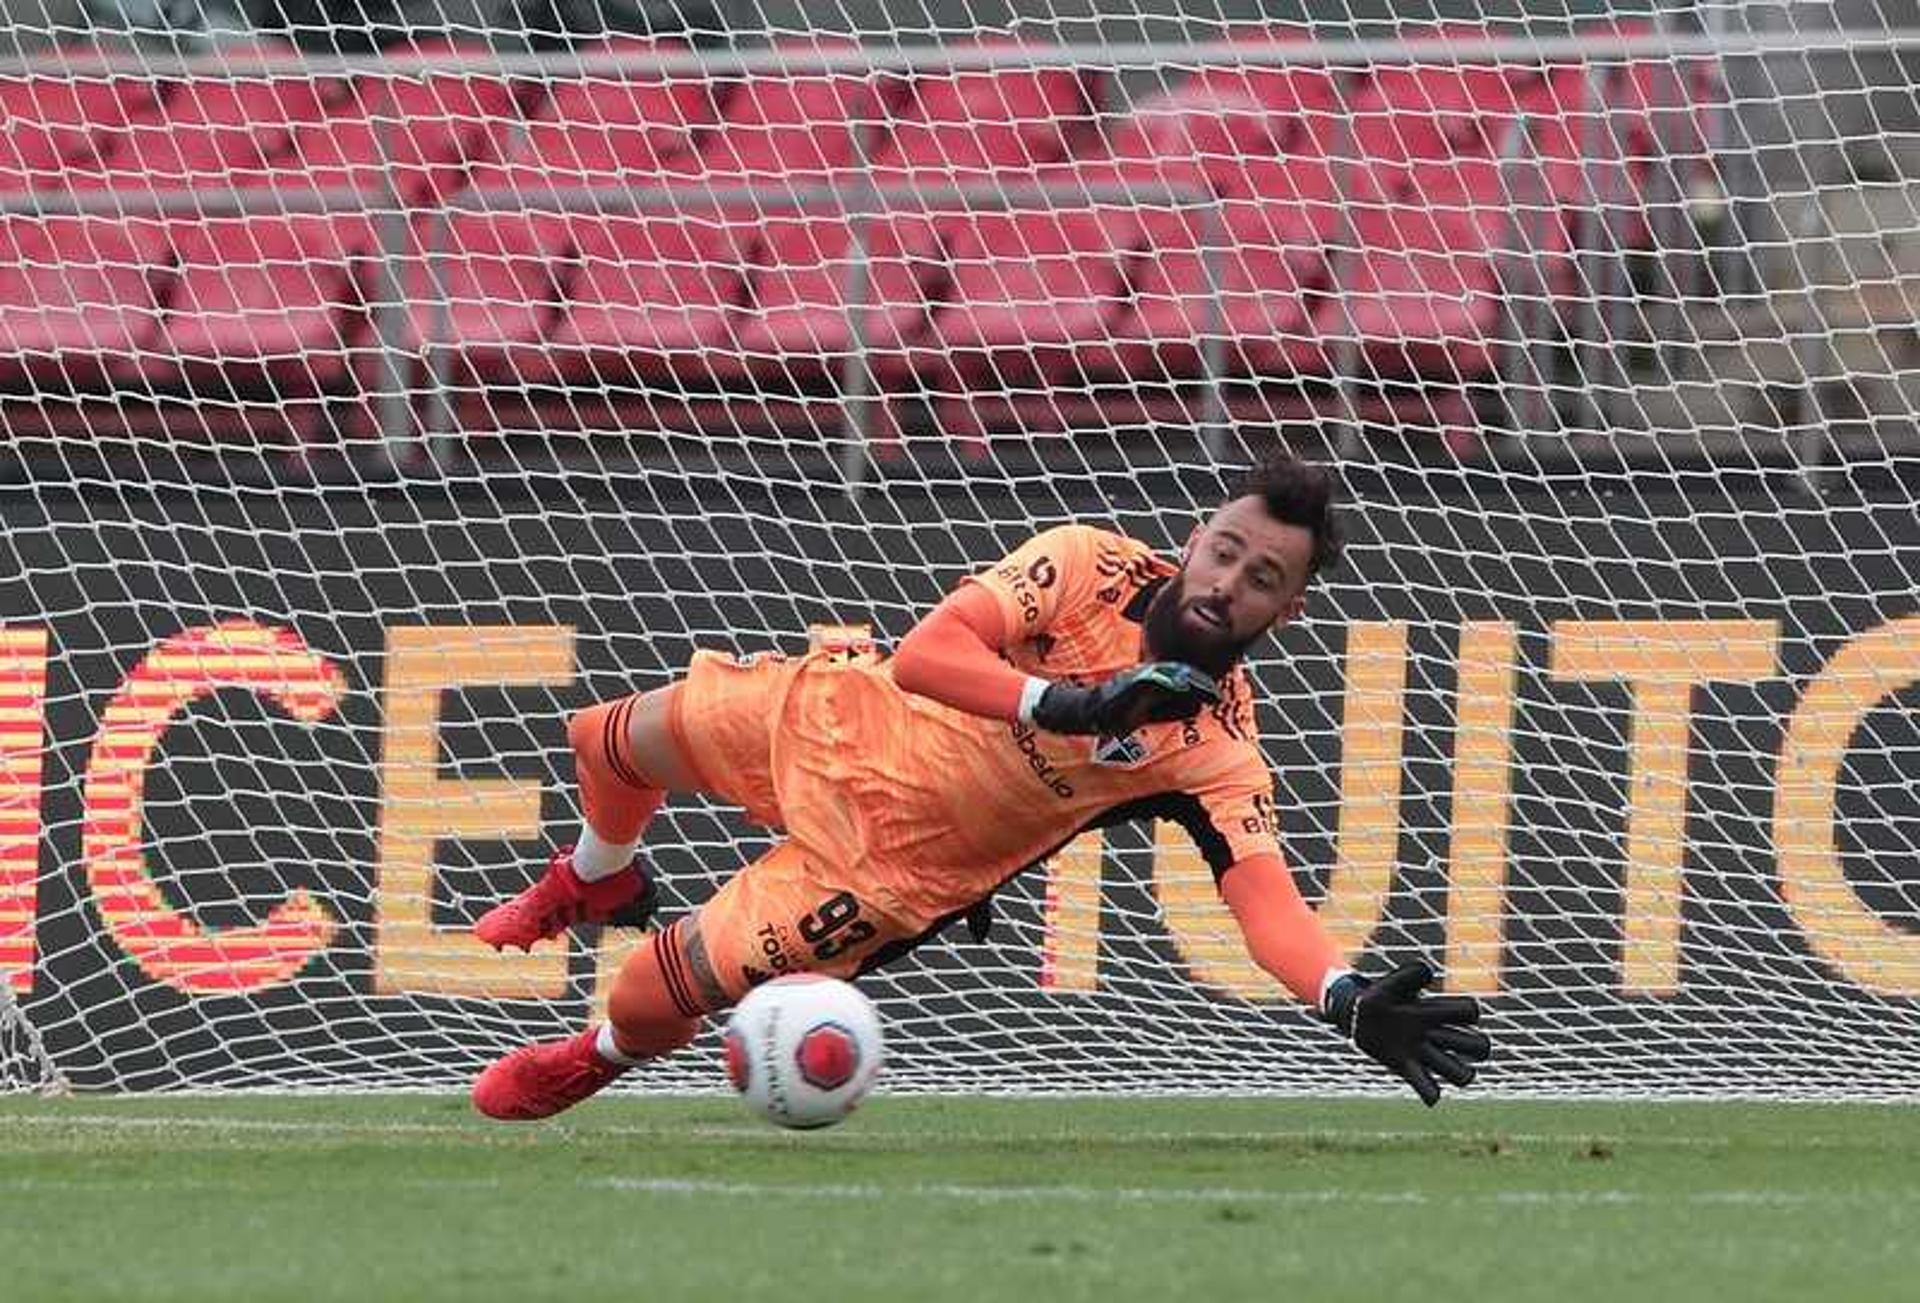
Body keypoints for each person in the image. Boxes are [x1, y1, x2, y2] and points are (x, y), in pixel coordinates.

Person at [469, 452, 1489, 1118]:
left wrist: (1344, 995)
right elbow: (926, 653)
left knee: (649, 995)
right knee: (607, 740)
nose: (1228, 582)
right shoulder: (1085, 564)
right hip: (842, 713)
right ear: (1194, 541)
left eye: (1262, 576)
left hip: (883, 871)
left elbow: (1264, 903)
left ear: (1291, 608)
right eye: (1224, 551)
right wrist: (1072, 705)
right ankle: (597, 876)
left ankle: (595, 1056)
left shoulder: (1213, 747)